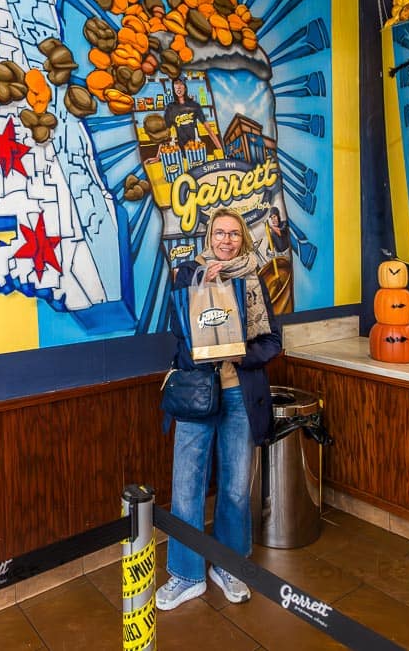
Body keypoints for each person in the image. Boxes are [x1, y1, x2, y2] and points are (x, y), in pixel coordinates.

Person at [157, 208, 282, 610]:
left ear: (242, 239)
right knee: (186, 487)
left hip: (238, 394)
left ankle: (229, 566)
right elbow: (177, 331)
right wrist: (202, 288)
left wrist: (241, 353)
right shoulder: (186, 274)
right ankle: (185, 575)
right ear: (208, 237)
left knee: (233, 488)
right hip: (196, 393)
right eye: (219, 233)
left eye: (233, 234)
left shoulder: (253, 278)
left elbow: (272, 341)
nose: (225, 240)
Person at [164, 80, 222, 152]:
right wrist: (158, 156)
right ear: (173, 88)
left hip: (197, 147)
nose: (178, 87)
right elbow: (164, 134)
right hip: (182, 149)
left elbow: (208, 129)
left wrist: (221, 149)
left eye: (181, 84)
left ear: (185, 87)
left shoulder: (195, 105)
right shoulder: (170, 108)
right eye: (176, 84)